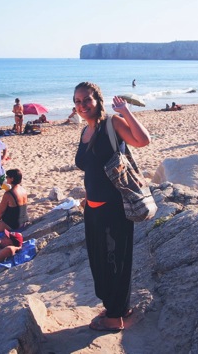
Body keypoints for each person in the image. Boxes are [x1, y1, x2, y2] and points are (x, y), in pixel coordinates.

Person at [73, 81, 151, 332]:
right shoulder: (85, 131)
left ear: (98, 100)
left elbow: (142, 141)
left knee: (117, 260)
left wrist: (126, 112)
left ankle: (116, 317)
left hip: (115, 207)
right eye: (77, 101)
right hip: (93, 208)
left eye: (87, 99)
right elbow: (92, 170)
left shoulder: (112, 124)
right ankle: (117, 306)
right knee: (100, 261)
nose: (82, 105)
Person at [0, 168, 28, 235]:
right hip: (24, 220)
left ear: (12, 179)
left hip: (14, 224)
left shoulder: (9, 194)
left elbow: (0, 212)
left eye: (7, 177)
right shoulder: (23, 190)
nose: (6, 178)